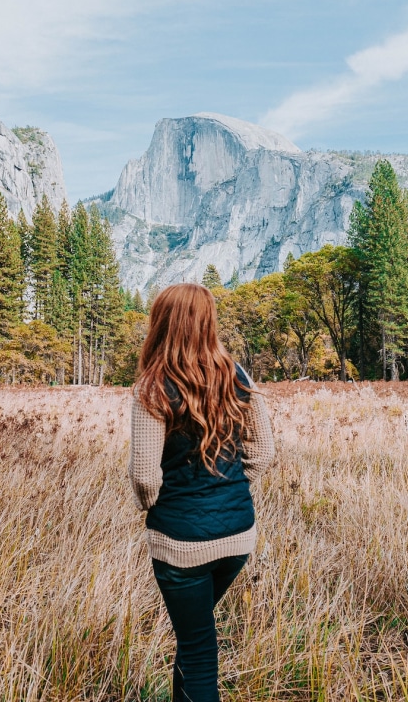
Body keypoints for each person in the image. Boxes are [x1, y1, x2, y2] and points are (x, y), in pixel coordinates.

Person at [129, 283, 276, 701]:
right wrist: (224, 487)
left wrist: (155, 506)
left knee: (196, 647)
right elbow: (263, 453)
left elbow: (144, 476)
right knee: (193, 634)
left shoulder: (151, 387)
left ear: (161, 324)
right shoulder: (237, 375)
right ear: (208, 323)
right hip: (237, 536)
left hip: (180, 544)